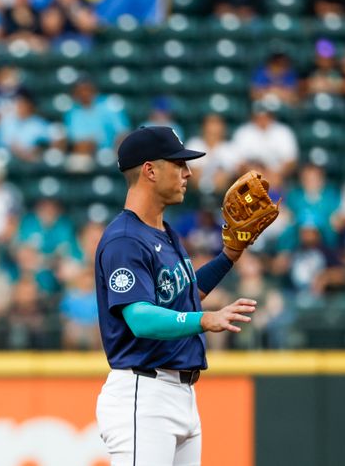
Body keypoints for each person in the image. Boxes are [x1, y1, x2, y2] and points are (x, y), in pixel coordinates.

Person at [95, 126, 270, 465]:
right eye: (178, 164)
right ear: (150, 170)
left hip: (180, 393)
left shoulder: (163, 231)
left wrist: (229, 256)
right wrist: (205, 319)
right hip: (143, 393)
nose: (188, 172)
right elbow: (140, 318)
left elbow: (185, 295)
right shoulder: (125, 239)